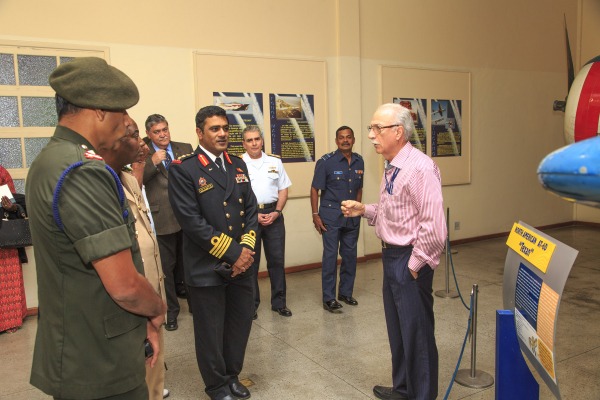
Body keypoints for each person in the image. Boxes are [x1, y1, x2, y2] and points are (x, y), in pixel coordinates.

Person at [26, 57, 166, 400]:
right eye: (121, 113)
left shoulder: (51, 159)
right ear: (100, 111)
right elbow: (124, 286)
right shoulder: (83, 170)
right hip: (101, 362)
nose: (125, 124)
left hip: (79, 347)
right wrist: (157, 309)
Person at [341, 103, 447, 400]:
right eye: (371, 129)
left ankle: (422, 395)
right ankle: (403, 389)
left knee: (418, 337)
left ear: (398, 132)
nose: (372, 135)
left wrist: (414, 265)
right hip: (392, 257)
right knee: (399, 332)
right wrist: (365, 210)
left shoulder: (420, 168)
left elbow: (435, 226)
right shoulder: (392, 165)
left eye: (377, 128)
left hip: (408, 259)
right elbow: (395, 212)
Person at [168, 105, 258, 400]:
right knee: (210, 331)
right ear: (199, 133)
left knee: (239, 323)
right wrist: (234, 253)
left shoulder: (237, 165)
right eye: (214, 129)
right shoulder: (185, 169)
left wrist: (246, 248)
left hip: (241, 266)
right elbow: (192, 222)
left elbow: (252, 211)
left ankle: (231, 375)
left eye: (225, 128)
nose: (222, 134)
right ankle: (216, 385)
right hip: (206, 266)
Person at [98, 121, 170, 400]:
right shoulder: (102, 182)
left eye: (140, 136)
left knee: (153, 370)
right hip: (132, 298)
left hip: (151, 292)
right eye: (133, 136)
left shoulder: (126, 178)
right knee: (137, 373)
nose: (141, 143)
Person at [143, 114, 194, 331]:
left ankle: (196, 305)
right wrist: (152, 163)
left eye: (165, 129)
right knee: (167, 269)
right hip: (161, 218)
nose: (163, 134)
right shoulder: (142, 151)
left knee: (190, 265)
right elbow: (135, 181)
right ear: (149, 134)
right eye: (157, 131)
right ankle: (171, 312)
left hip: (188, 216)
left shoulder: (185, 148)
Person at [310, 126, 364, 312]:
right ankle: (329, 298)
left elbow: (359, 189)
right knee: (331, 257)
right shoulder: (326, 162)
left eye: (348, 137)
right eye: (341, 137)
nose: (345, 140)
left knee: (350, 256)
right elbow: (314, 189)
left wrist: (358, 209)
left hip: (351, 218)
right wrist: (315, 214)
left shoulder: (359, 161)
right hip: (331, 217)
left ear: (353, 139)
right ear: (336, 140)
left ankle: (345, 293)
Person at [241, 126, 292, 318]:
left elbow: (283, 189)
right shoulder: (238, 163)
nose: (254, 143)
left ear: (262, 140)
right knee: (250, 264)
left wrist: (277, 211)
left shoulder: (274, 161)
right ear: (244, 143)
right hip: (250, 218)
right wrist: (253, 215)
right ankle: (251, 305)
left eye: (257, 139)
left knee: (277, 261)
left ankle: (279, 303)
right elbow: (236, 195)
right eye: (249, 140)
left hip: (274, 215)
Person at [0, 165, 27, 333]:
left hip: (4, 236)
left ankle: (10, 322)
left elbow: (16, 204)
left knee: (8, 279)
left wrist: (11, 207)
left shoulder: (2, 173)